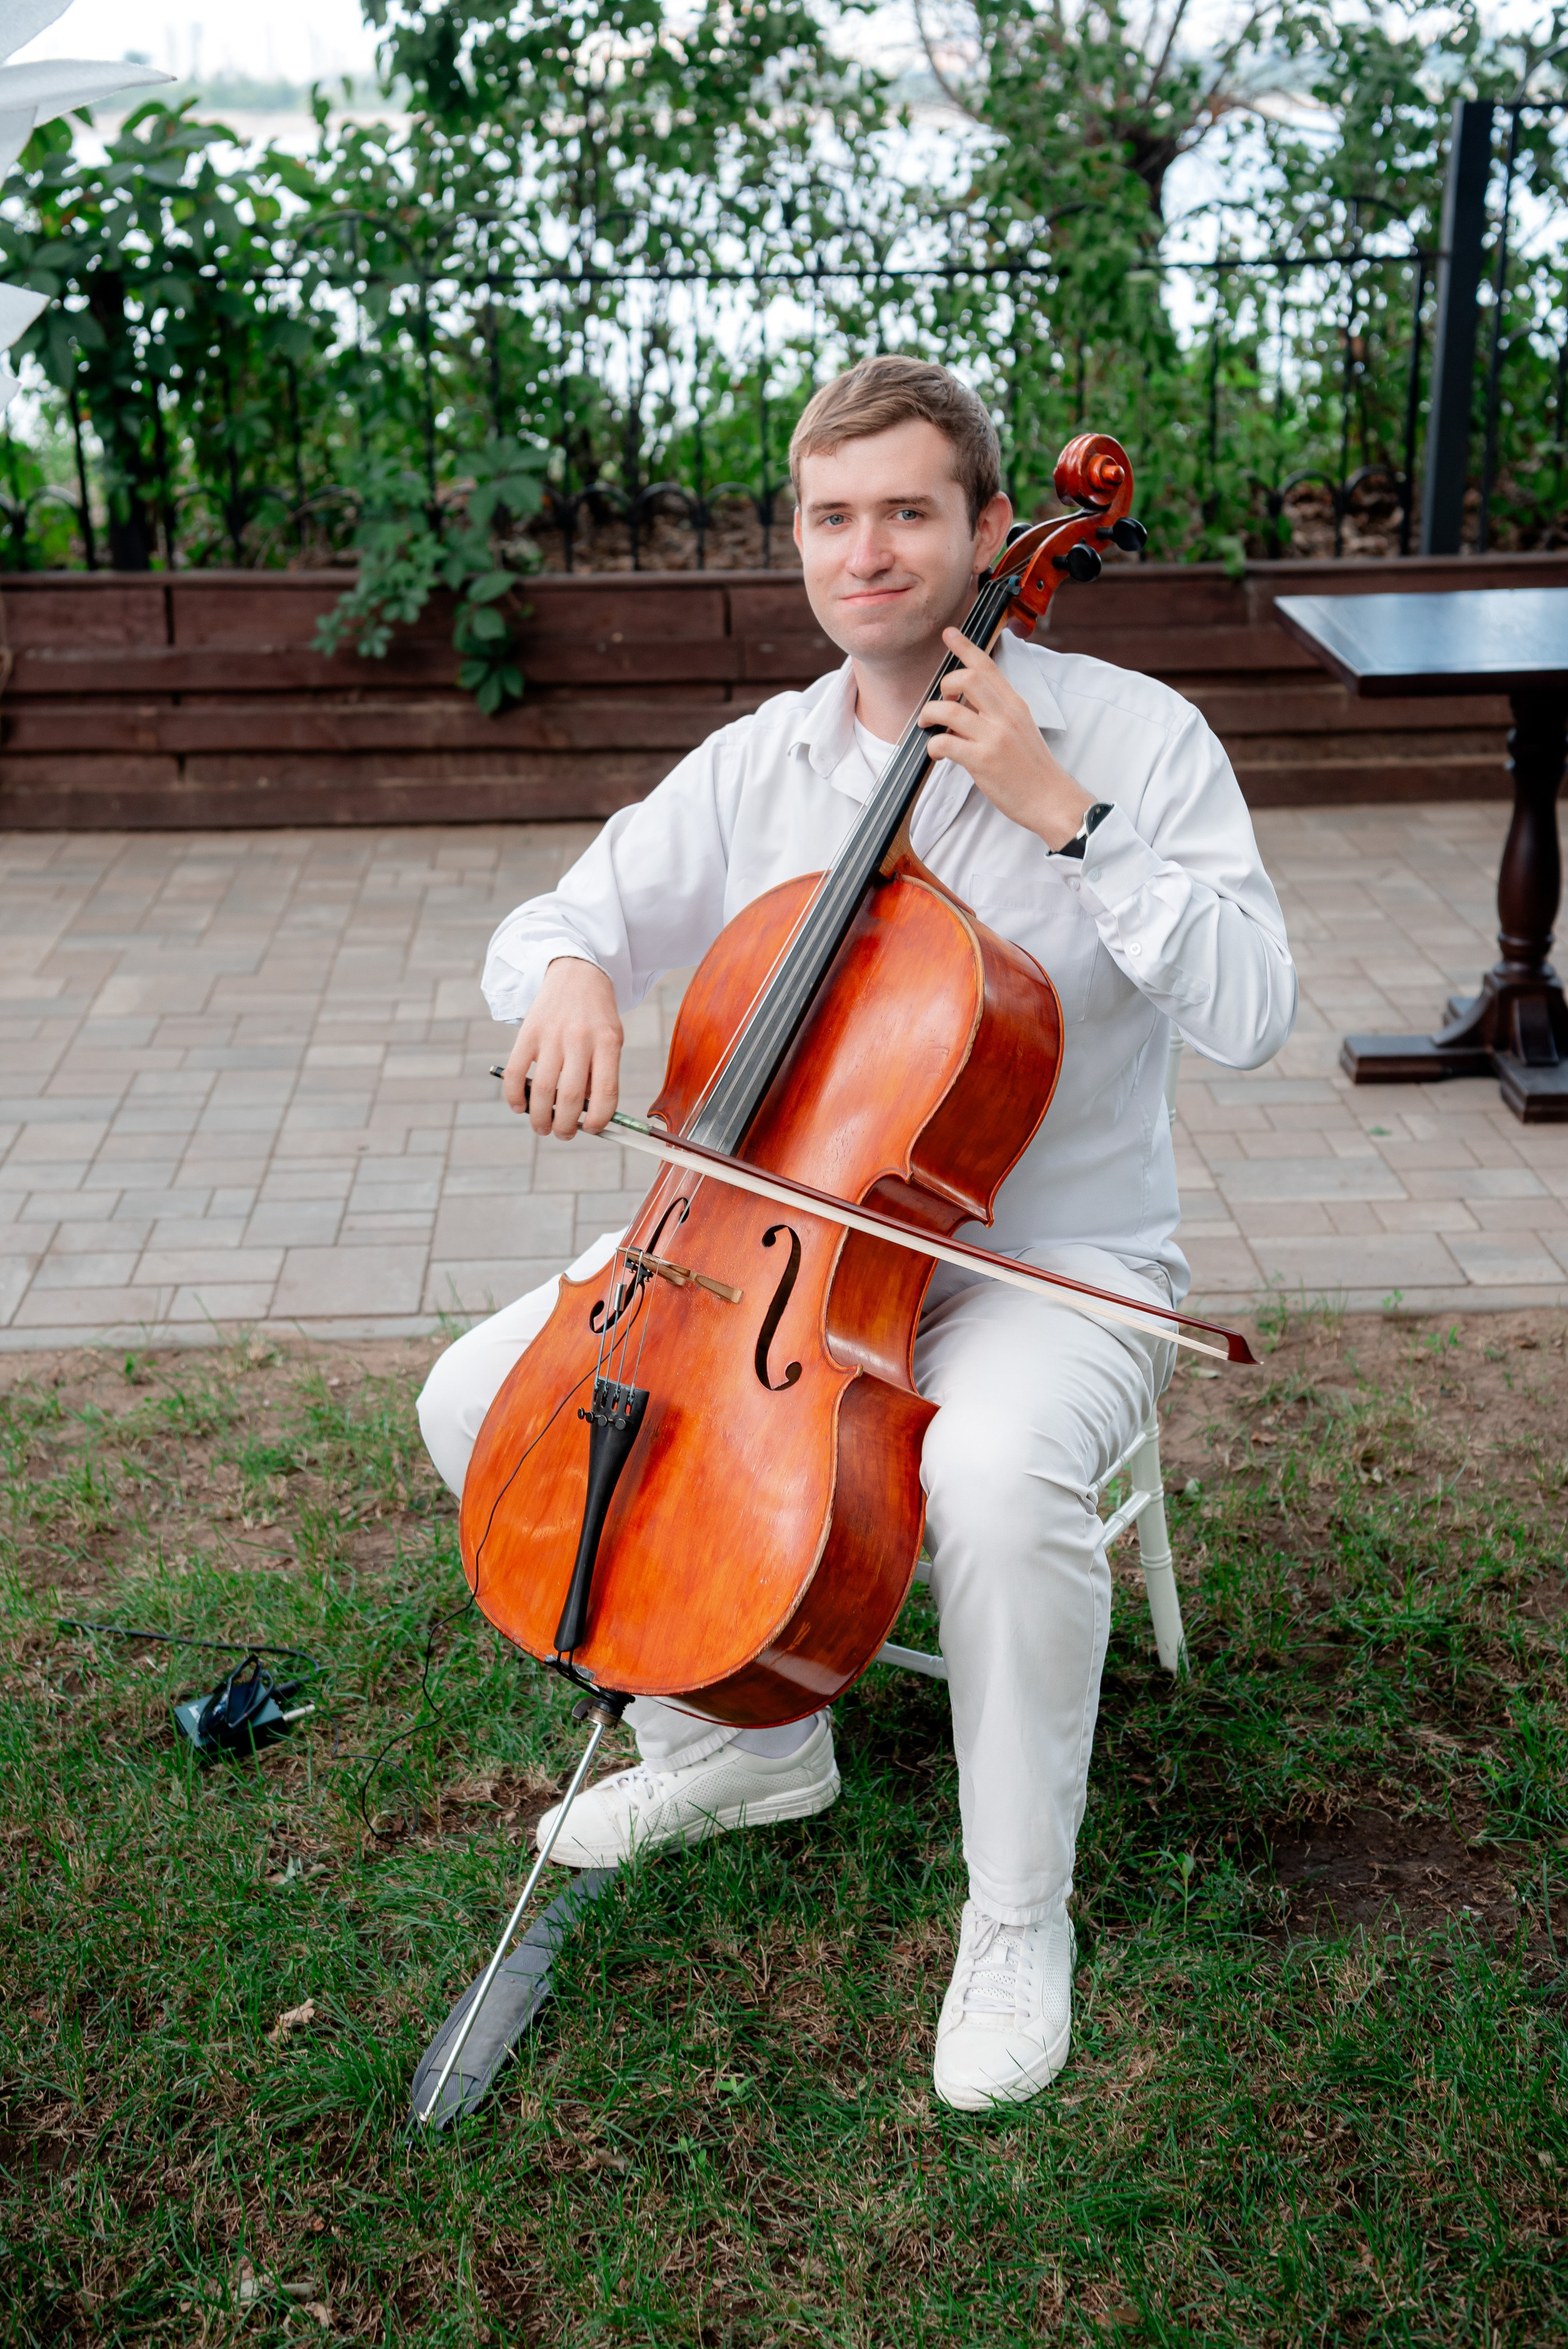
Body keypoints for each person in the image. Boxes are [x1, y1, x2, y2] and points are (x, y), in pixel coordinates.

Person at [417, 355, 1295, 2111]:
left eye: (908, 511)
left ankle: (1017, 1913)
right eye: (834, 516)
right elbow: (558, 914)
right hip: (778, 1257)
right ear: (801, 542)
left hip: (1057, 1267)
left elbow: (1257, 1009)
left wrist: (1071, 819)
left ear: (989, 529)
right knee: (474, 1398)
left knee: (989, 1481)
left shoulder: (1131, 737)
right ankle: (743, 1742)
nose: (868, 549)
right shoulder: (766, 758)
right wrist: (571, 979)